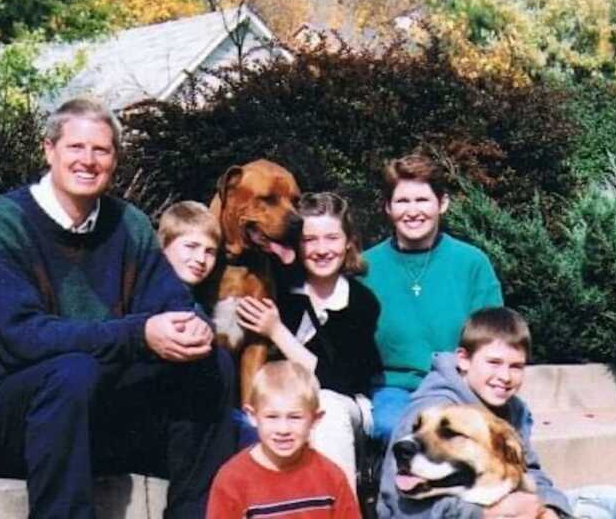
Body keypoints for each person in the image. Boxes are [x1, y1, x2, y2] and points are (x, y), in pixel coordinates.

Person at [0, 98, 236, 519]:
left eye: (101, 150)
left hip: (91, 412)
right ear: (49, 150)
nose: (88, 160)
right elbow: (21, 337)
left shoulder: (129, 224)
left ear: (115, 159)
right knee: (72, 371)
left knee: (212, 363)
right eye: (76, 147)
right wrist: (139, 334)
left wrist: (195, 329)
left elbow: (174, 303)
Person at [378, 307, 616, 519]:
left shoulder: (513, 408)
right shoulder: (430, 408)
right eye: (494, 363)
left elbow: (530, 470)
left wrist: (553, 510)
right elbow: (397, 506)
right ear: (463, 360)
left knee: (613, 500)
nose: (505, 377)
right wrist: (485, 514)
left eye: (516, 366)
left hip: (509, 501)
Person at [236, 192, 382, 491]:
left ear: (348, 242)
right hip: (281, 404)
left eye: (332, 238)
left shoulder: (360, 302)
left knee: (326, 409)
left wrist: (276, 332)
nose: (322, 249)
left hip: (342, 404)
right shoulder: (281, 288)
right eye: (310, 239)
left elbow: (338, 379)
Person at [357, 153, 503, 442]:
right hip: (392, 390)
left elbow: (493, 339)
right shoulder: (364, 268)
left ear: (442, 203)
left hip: (458, 386)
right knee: (407, 430)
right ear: (388, 207)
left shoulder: (471, 263)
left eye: (422, 200)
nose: (413, 211)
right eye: (402, 201)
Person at [207, 360, 362, 519]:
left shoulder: (330, 475)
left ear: (315, 419)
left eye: (295, 417)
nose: (283, 430)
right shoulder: (232, 480)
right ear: (252, 417)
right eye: (272, 417)